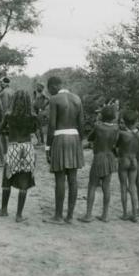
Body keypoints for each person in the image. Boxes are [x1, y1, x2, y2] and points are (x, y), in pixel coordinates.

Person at [0, 90, 37, 223]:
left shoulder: (8, 115)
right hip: (27, 147)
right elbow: (34, 130)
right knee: (24, 180)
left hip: (13, 147)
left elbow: (0, 131)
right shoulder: (32, 116)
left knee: (7, 178)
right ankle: (19, 215)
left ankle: (4, 209)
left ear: (14, 100)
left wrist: (9, 131)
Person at [46, 76, 84, 224]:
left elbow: (51, 126)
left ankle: (58, 216)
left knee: (60, 178)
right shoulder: (77, 99)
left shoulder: (55, 99)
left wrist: (48, 146)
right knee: (73, 179)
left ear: (53, 87)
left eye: (49, 90)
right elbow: (81, 123)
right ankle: (70, 216)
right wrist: (78, 143)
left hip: (60, 138)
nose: (49, 93)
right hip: (74, 138)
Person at [78, 106, 119, 223]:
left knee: (92, 185)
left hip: (99, 157)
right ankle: (105, 215)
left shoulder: (98, 126)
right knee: (106, 186)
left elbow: (90, 138)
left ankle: (88, 215)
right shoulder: (116, 128)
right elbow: (116, 142)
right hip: (110, 157)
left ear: (102, 115)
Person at [114, 110, 139, 223]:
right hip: (134, 160)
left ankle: (125, 213)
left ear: (124, 121)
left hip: (124, 159)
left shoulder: (122, 134)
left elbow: (115, 145)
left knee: (123, 187)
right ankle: (134, 214)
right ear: (136, 121)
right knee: (132, 187)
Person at [0, 77, 14, 154]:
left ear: (6, 83)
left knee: (4, 135)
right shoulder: (12, 91)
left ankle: (6, 151)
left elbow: (4, 106)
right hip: (13, 115)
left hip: (6, 115)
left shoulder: (4, 92)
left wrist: (3, 119)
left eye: (2, 82)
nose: (0, 84)